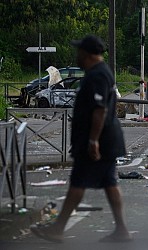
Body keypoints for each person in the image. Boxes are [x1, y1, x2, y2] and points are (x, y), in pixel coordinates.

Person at [30, 35, 132, 243]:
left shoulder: (97, 75)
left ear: (87, 53)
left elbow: (99, 110)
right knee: (109, 182)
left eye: (79, 51)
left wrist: (93, 141)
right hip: (106, 139)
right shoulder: (101, 72)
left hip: (97, 140)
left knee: (78, 182)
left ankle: (58, 228)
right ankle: (122, 229)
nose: (77, 55)